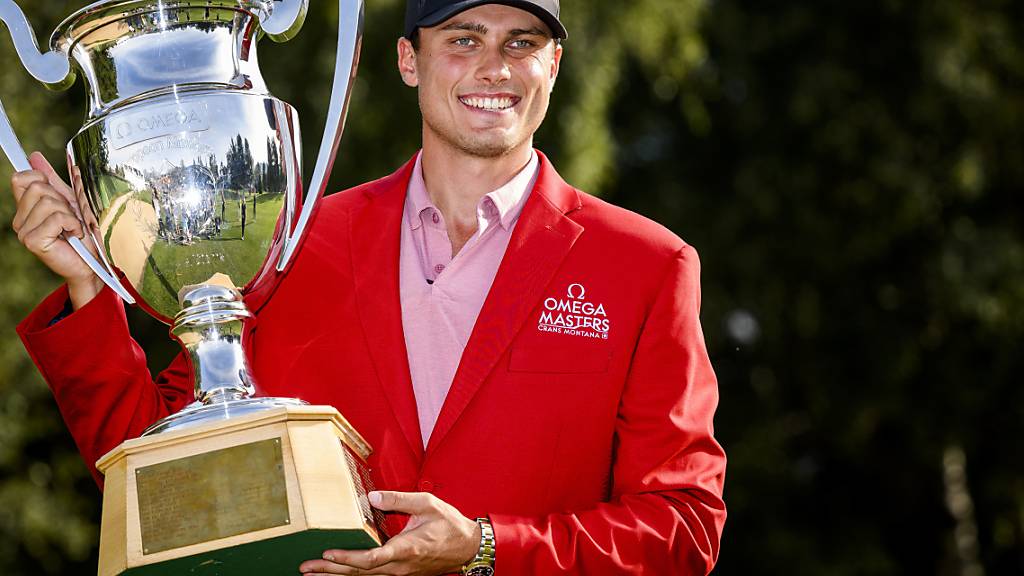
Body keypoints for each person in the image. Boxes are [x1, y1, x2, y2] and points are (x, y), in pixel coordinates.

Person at [9, 1, 726, 574]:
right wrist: (86, 288)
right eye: (464, 40)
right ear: (409, 60)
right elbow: (157, 476)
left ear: (554, 65)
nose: (494, 69)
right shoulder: (290, 246)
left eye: (521, 43)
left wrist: (486, 548)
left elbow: (684, 528)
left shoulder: (644, 265)